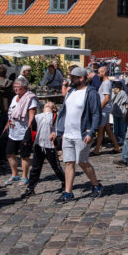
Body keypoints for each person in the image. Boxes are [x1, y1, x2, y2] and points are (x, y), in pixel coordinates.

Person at [54, 67, 103, 202]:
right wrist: (59, 131)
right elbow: (64, 112)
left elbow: (96, 114)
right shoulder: (71, 92)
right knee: (68, 163)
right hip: (68, 135)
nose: (70, 79)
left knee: (82, 162)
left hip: (82, 134)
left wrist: (91, 132)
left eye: (73, 78)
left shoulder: (91, 93)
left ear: (81, 78)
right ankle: (68, 193)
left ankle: (96, 185)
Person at [22, 101, 64, 198]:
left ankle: (65, 182)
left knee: (56, 167)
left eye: (50, 104)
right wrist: (26, 140)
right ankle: (30, 188)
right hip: (38, 145)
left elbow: (59, 129)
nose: (48, 104)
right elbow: (31, 128)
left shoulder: (55, 117)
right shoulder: (38, 117)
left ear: (54, 108)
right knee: (35, 168)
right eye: (46, 103)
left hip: (50, 146)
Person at [4, 77, 38, 185]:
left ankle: (24, 176)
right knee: (9, 153)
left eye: (17, 87)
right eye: (15, 87)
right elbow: (11, 113)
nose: (15, 89)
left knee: (24, 155)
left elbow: (32, 117)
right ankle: (15, 174)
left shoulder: (30, 98)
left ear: (24, 88)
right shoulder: (15, 98)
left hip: (23, 131)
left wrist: (29, 132)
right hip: (13, 131)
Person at [93, 66, 121, 155]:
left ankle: (96, 150)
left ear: (104, 72)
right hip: (105, 109)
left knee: (101, 130)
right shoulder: (106, 82)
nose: (98, 74)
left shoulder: (106, 83)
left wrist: (99, 108)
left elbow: (106, 98)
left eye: (99, 72)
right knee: (108, 129)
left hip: (103, 110)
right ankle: (116, 146)